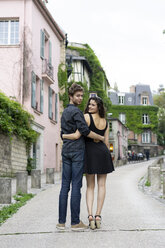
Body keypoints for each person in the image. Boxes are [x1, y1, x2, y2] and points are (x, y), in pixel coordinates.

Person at [56, 84, 105, 231]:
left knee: (65, 186)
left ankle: (61, 222)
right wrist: (99, 137)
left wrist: (65, 136)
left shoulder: (64, 112)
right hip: (77, 151)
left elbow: (62, 133)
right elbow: (84, 131)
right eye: (77, 96)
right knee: (76, 185)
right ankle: (76, 222)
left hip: (66, 151)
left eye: (81, 96)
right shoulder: (77, 112)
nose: (80, 98)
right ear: (70, 96)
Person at [63, 96, 114, 230]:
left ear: (98, 107)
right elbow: (106, 142)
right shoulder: (105, 122)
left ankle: (90, 215)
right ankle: (98, 216)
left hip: (89, 153)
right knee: (102, 185)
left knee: (90, 186)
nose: (90, 106)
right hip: (103, 153)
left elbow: (77, 135)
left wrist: (64, 135)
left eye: (93, 105)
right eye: (90, 104)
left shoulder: (85, 117)